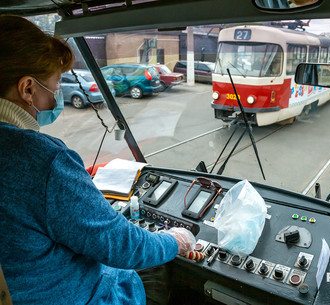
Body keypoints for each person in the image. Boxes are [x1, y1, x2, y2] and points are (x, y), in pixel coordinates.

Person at [0, 16, 195, 305]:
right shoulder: (41, 159)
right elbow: (122, 246)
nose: (55, 101)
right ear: (27, 88)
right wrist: (174, 240)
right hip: (78, 296)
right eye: (53, 89)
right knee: (157, 268)